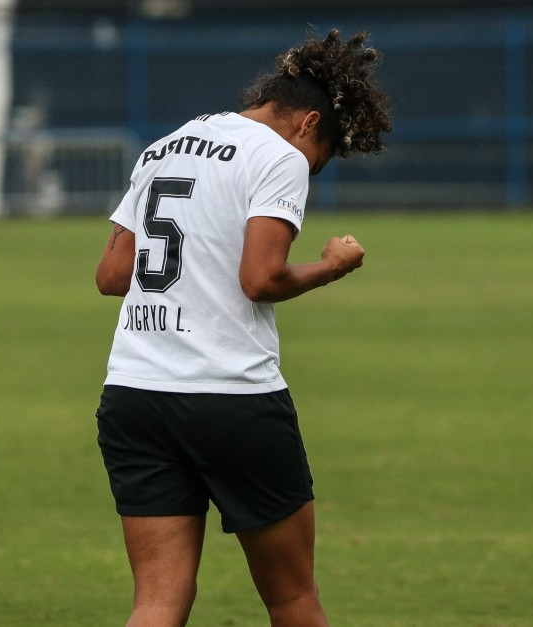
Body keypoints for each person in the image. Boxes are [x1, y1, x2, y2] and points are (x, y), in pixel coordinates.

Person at [94, 28, 392, 627]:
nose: (312, 170)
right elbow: (261, 279)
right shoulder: (279, 157)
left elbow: (111, 274)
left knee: (155, 603)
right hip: (229, 398)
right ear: (309, 123)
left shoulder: (165, 146)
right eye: (322, 157)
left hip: (134, 393)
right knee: (292, 598)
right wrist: (332, 267)